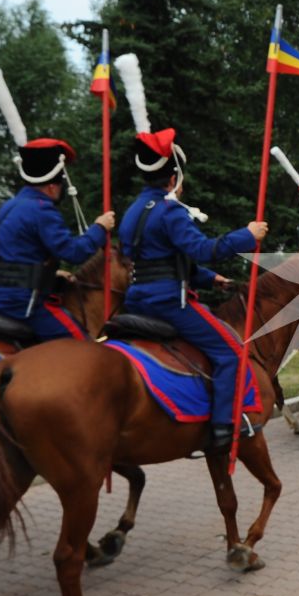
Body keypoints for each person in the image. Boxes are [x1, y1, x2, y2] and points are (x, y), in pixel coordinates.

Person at [117, 76, 266, 456]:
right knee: (230, 353)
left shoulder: (134, 210)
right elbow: (204, 249)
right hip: (170, 303)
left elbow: (159, 259)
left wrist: (206, 278)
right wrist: (247, 234)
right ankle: (223, 428)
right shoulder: (170, 211)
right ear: (174, 177)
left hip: (137, 299)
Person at [0, 67, 113, 340]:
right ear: (52, 185)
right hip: (23, 305)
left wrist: (51, 272)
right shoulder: (42, 211)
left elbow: (9, 256)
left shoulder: (6, 207)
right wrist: (100, 228)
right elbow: (74, 252)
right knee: (82, 344)